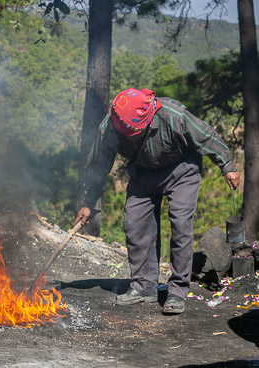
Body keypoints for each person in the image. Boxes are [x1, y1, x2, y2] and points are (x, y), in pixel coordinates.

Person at [75, 88, 240, 314]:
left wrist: (227, 166)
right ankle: (144, 287)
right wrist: (89, 201)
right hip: (142, 174)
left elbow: (207, 136)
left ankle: (177, 291)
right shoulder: (111, 127)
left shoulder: (173, 116)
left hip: (181, 171)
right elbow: (99, 166)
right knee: (134, 225)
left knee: (181, 225)